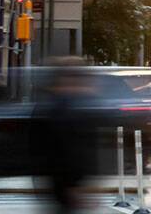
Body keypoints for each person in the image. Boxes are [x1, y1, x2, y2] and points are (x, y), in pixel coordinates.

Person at [33, 62, 99, 214]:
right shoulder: (64, 110)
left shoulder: (50, 105)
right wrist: (73, 185)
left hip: (57, 181)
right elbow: (66, 150)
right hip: (63, 181)